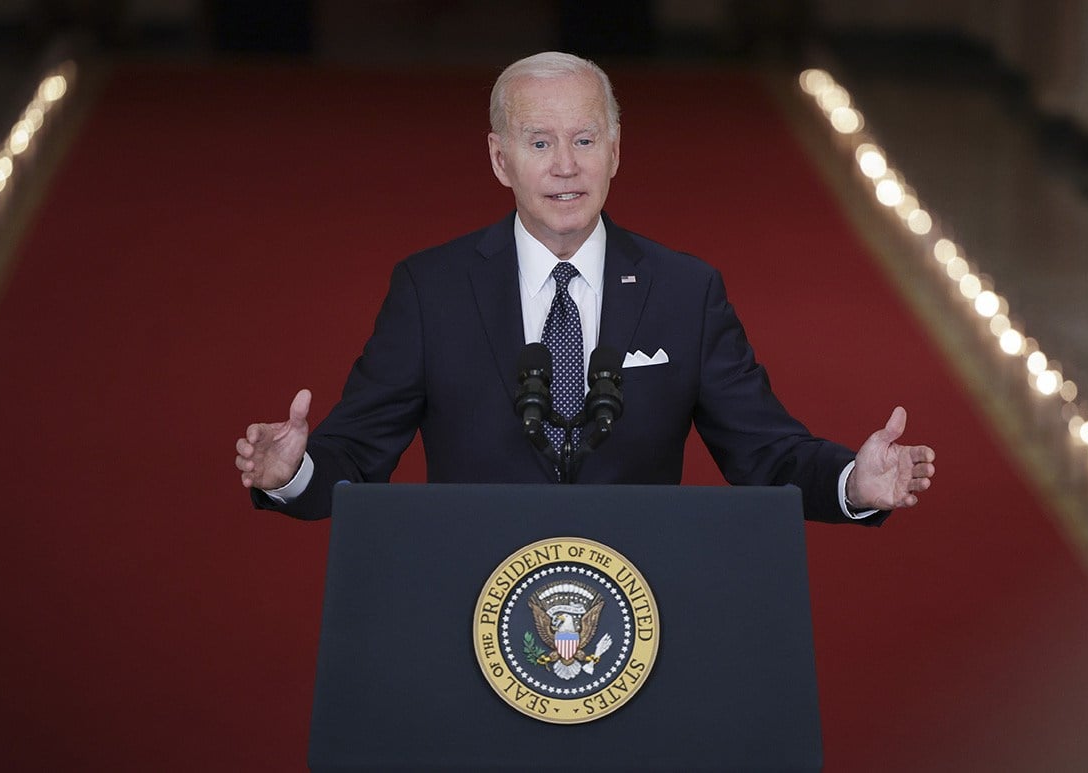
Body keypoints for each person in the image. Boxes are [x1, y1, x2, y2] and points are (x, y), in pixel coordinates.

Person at [234, 51, 935, 523]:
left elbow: (768, 453)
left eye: (585, 140)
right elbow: (355, 456)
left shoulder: (685, 291)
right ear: (499, 158)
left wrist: (854, 483)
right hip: (474, 600)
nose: (566, 166)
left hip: (637, 610)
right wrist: (292, 472)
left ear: (617, 150)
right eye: (540, 143)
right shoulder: (431, 289)